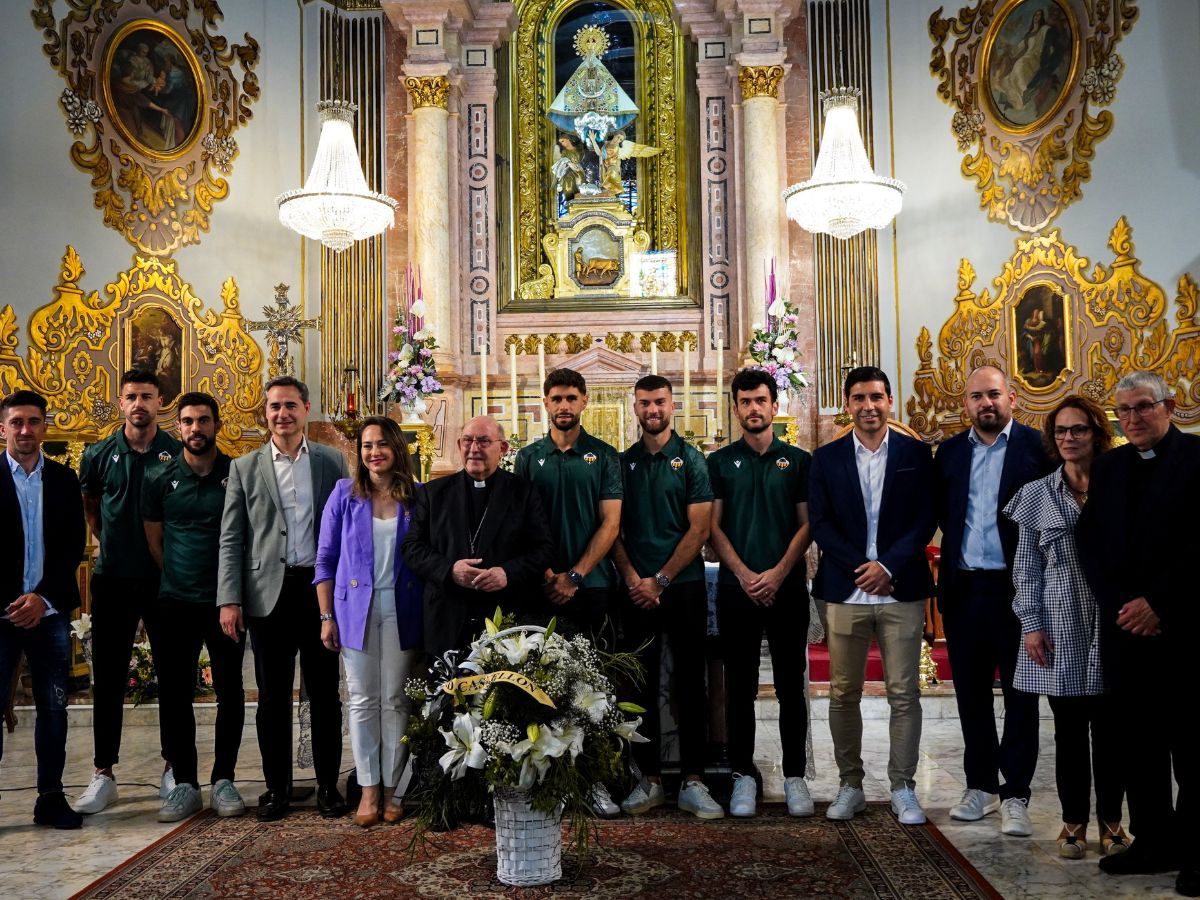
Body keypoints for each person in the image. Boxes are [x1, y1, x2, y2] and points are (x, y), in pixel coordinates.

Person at [1077, 372, 1200, 895]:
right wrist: (1122, 606)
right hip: (1126, 632)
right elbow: (1090, 545)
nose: (1132, 419)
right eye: (1122, 412)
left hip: (1188, 630)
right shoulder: (1109, 467)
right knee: (1139, 744)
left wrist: (1159, 603)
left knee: (1194, 747)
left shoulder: (1198, 459)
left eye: (1142, 408)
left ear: (1170, 406)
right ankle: (1153, 842)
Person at [216, 376, 349, 822]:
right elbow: (232, 537)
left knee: (325, 694)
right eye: (274, 407)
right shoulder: (244, 467)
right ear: (266, 413)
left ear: (306, 409)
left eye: (290, 405)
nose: (282, 414)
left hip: (318, 591)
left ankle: (329, 786)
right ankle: (277, 789)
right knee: (272, 697)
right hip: (266, 595)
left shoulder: (332, 462)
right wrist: (229, 599)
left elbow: (346, 531)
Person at [809, 366, 937, 826]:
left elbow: (926, 516)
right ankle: (850, 785)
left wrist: (889, 566)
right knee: (844, 693)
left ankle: (903, 787)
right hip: (846, 591)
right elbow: (820, 523)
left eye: (877, 397)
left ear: (889, 401)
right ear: (847, 403)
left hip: (900, 589)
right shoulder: (825, 459)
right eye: (860, 398)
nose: (869, 406)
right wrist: (861, 569)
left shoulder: (917, 454)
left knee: (904, 693)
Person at [1004, 395, 1125, 859]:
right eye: (1061, 431)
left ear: (1096, 433)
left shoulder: (1118, 484)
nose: (1069, 438)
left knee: (1113, 732)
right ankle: (1073, 823)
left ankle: (1113, 824)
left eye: (1078, 430)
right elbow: (1026, 568)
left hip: (1113, 622)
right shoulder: (1036, 494)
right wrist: (1031, 625)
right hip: (1060, 626)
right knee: (1069, 733)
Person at [934, 364, 1048, 837]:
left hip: (1016, 590)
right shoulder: (949, 454)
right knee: (972, 697)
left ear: (1012, 398)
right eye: (977, 397)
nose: (986, 403)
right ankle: (980, 787)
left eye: (994, 395)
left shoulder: (1038, 447)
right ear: (966, 404)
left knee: (1022, 695)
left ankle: (1016, 793)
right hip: (965, 589)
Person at [612, 375, 721, 819]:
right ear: (634, 408)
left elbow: (700, 528)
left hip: (684, 587)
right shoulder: (622, 464)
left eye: (659, 402)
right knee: (638, 682)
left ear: (672, 405)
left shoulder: (692, 461)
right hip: (635, 589)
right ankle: (650, 777)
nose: (651, 410)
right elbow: (612, 527)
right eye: (644, 403)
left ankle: (694, 780)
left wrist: (661, 579)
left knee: (691, 681)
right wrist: (635, 578)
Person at [707, 368, 813, 819]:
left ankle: (794, 777)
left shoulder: (799, 461)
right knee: (740, 687)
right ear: (736, 408)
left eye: (761, 400)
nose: (754, 408)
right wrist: (747, 574)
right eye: (745, 401)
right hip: (736, 589)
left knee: (792, 687)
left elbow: (807, 524)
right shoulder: (718, 462)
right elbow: (712, 527)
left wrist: (775, 573)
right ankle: (743, 776)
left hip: (786, 588)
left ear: (774, 405)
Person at [75, 369, 182, 815]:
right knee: (109, 679)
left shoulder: (176, 454)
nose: (139, 404)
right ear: (120, 402)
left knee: (175, 676)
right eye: (132, 397)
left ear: (161, 402)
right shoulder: (98, 454)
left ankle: (175, 768)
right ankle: (104, 773)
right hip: (114, 578)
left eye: (148, 397)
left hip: (164, 580)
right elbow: (93, 512)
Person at [142, 392, 246, 823]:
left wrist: (227, 592)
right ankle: (184, 782)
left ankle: (224, 779)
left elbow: (244, 535)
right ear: (179, 427)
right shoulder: (159, 477)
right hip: (175, 602)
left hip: (225, 603)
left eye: (204, 420)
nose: (195, 428)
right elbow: (155, 540)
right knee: (174, 693)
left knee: (230, 690)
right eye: (187, 421)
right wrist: (178, 576)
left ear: (217, 424)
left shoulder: (236, 474)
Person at [316, 416, 423, 827]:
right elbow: (325, 560)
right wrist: (327, 616)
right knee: (361, 699)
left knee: (395, 698)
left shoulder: (417, 496)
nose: (374, 452)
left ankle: (395, 788)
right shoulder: (345, 494)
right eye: (366, 446)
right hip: (352, 609)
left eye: (381, 444)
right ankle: (368, 788)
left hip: (401, 608)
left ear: (397, 448)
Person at [0, 390, 85, 829]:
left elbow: (73, 547)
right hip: (1, 617)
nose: (25, 431)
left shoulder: (64, 480)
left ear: (44, 427)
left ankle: (50, 797)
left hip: (49, 614)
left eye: (33, 422)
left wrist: (42, 599)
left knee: (54, 709)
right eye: (17, 422)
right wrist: (14, 602)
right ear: (3, 428)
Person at [402, 416, 554, 659]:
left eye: (483, 441)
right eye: (467, 441)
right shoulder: (434, 493)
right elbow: (412, 547)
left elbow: (544, 549)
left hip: (505, 617)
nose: (474, 449)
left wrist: (507, 573)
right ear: (459, 446)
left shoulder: (523, 493)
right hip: (447, 619)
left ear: (503, 448)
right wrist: (449, 570)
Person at [515, 368, 622, 641]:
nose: (564, 406)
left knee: (595, 675)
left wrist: (574, 576)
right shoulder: (527, 457)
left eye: (571, 398)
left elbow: (611, 523)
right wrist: (546, 574)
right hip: (542, 583)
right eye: (557, 398)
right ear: (546, 403)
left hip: (592, 582)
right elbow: (519, 522)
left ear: (584, 401)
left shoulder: (605, 455)